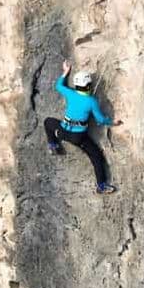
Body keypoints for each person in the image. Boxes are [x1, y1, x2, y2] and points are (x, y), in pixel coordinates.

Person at [44, 59, 121, 194]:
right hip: (78, 137)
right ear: (88, 86)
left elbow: (59, 86)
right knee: (96, 156)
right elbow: (100, 120)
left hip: (62, 131)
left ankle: (53, 145)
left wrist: (66, 72)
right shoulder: (91, 101)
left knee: (48, 122)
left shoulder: (71, 94)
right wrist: (113, 122)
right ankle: (101, 186)